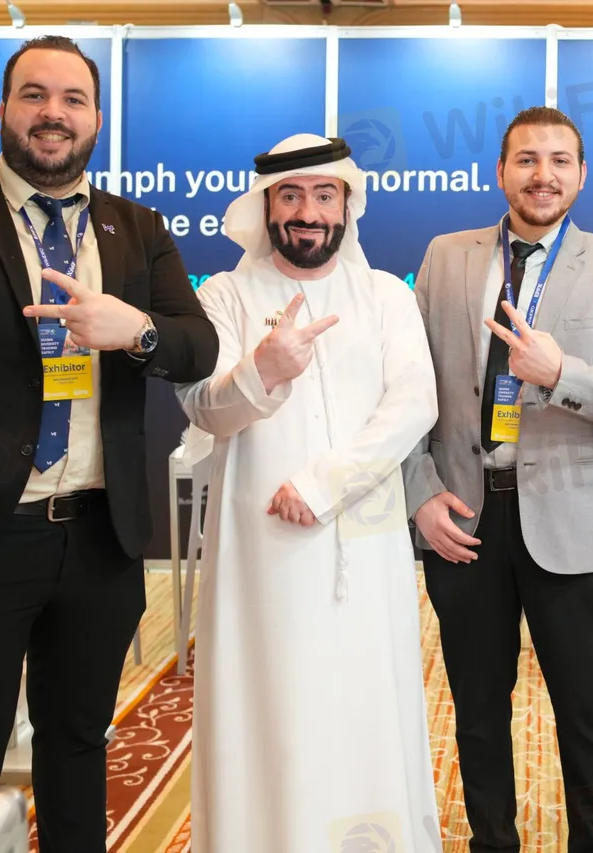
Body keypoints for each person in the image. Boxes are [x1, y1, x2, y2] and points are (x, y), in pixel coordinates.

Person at [0, 36, 218, 853]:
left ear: (97, 118)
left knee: (79, 745)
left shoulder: (136, 227)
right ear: (2, 109)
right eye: (34, 95)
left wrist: (134, 330)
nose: (52, 114)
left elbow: (196, 347)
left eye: (72, 99)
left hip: (99, 537)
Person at [401, 106, 593, 853]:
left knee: (588, 712)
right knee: (477, 707)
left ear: (582, 175)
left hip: (572, 520)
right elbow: (407, 388)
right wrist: (419, 491)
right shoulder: (446, 257)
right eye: (526, 159)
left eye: (559, 161)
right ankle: (493, 841)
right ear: (500, 172)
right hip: (463, 517)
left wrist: (560, 375)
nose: (542, 175)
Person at [175, 134, 441, 853]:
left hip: (365, 546)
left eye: (325, 195)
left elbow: (414, 403)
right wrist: (262, 370)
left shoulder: (386, 296)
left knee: (365, 706)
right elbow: (203, 408)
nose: (308, 212)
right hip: (261, 554)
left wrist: (323, 485)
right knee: (271, 704)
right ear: (266, 208)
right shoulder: (224, 296)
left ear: (346, 206)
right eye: (290, 196)